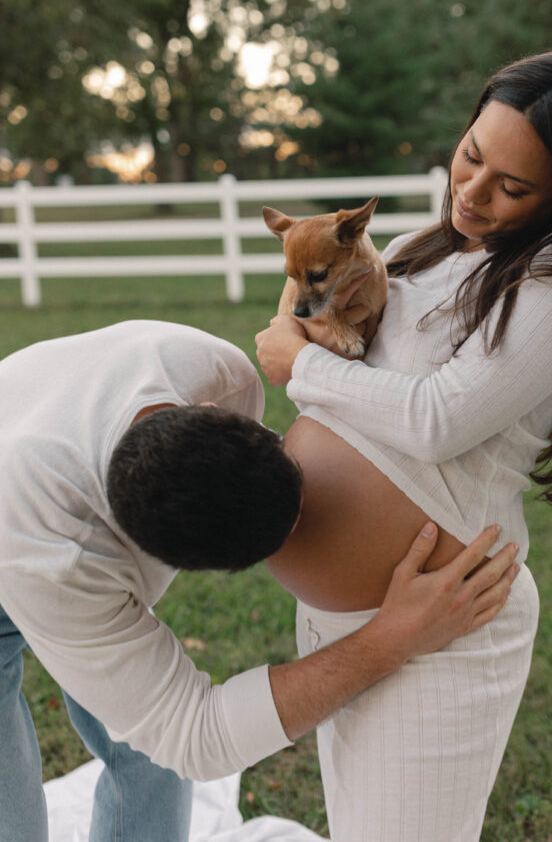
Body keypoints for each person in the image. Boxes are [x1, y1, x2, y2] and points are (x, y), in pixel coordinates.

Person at [255, 50, 552, 841]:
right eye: (470, 156)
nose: (469, 193)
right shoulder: (429, 246)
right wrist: (302, 333)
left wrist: (297, 362)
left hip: (445, 627)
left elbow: (437, 419)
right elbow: (316, 320)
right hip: (345, 621)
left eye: (511, 186)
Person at [0, 318, 519, 842]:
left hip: (29, 424)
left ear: (208, 413)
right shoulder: (62, 561)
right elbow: (191, 734)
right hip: (15, 526)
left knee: (145, 748)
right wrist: (390, 640)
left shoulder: (214, 373)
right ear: (131, 553)